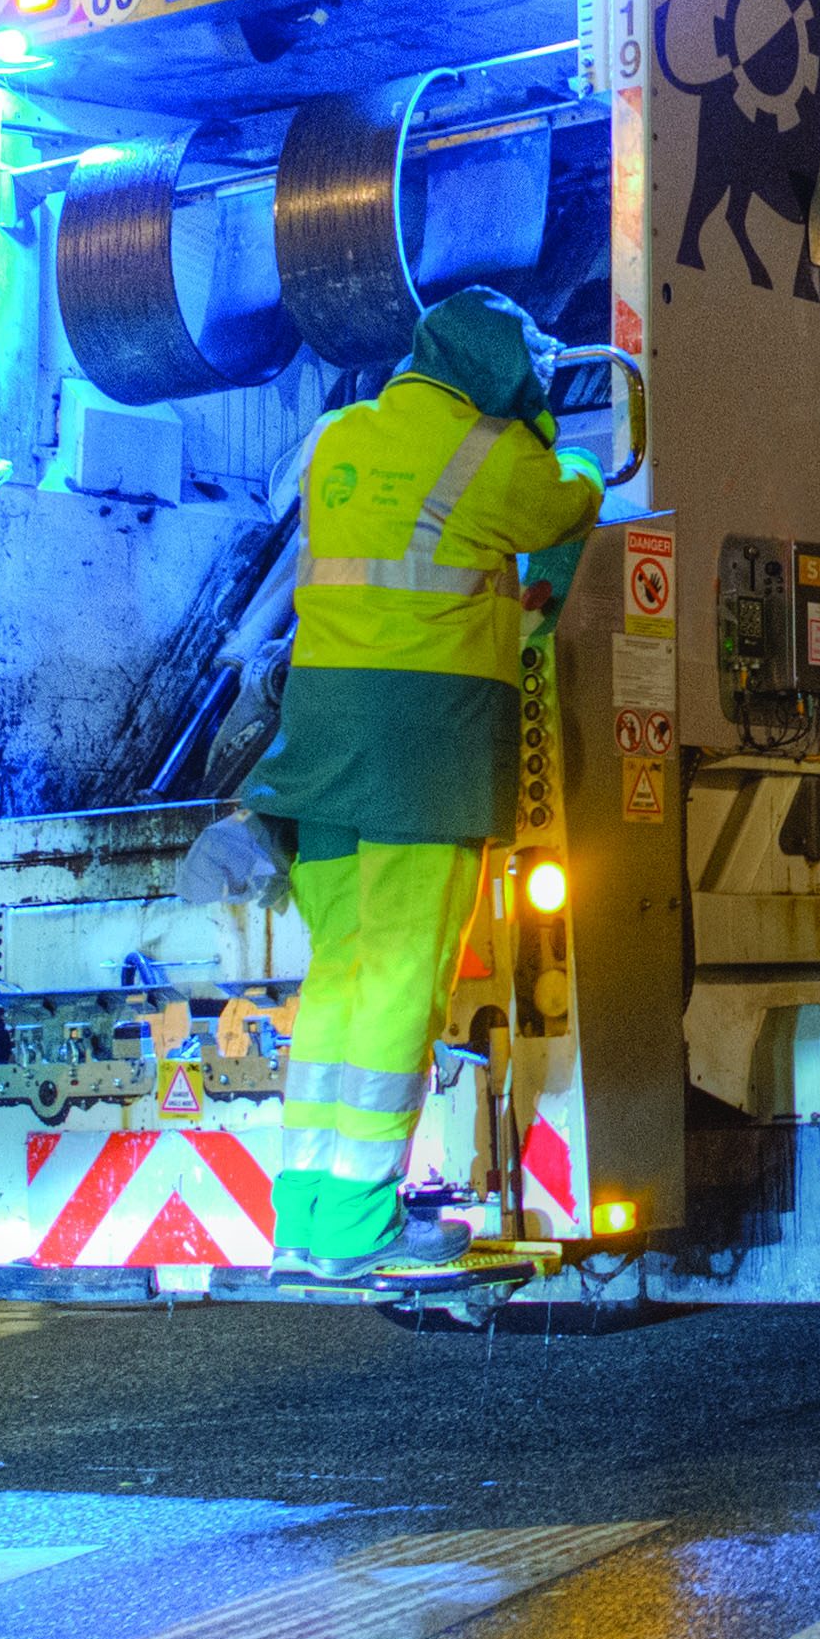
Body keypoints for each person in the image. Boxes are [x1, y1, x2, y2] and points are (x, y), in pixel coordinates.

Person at [241, 288, 607, 1287]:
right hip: (419, 755)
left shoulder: (334, 438)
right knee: (402, 982)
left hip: (319, 754)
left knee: (342, 978)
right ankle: (359, 1222)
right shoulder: (488, 454)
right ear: (498, 370)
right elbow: (571, 500)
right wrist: (551, 437)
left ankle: (307, 1213)